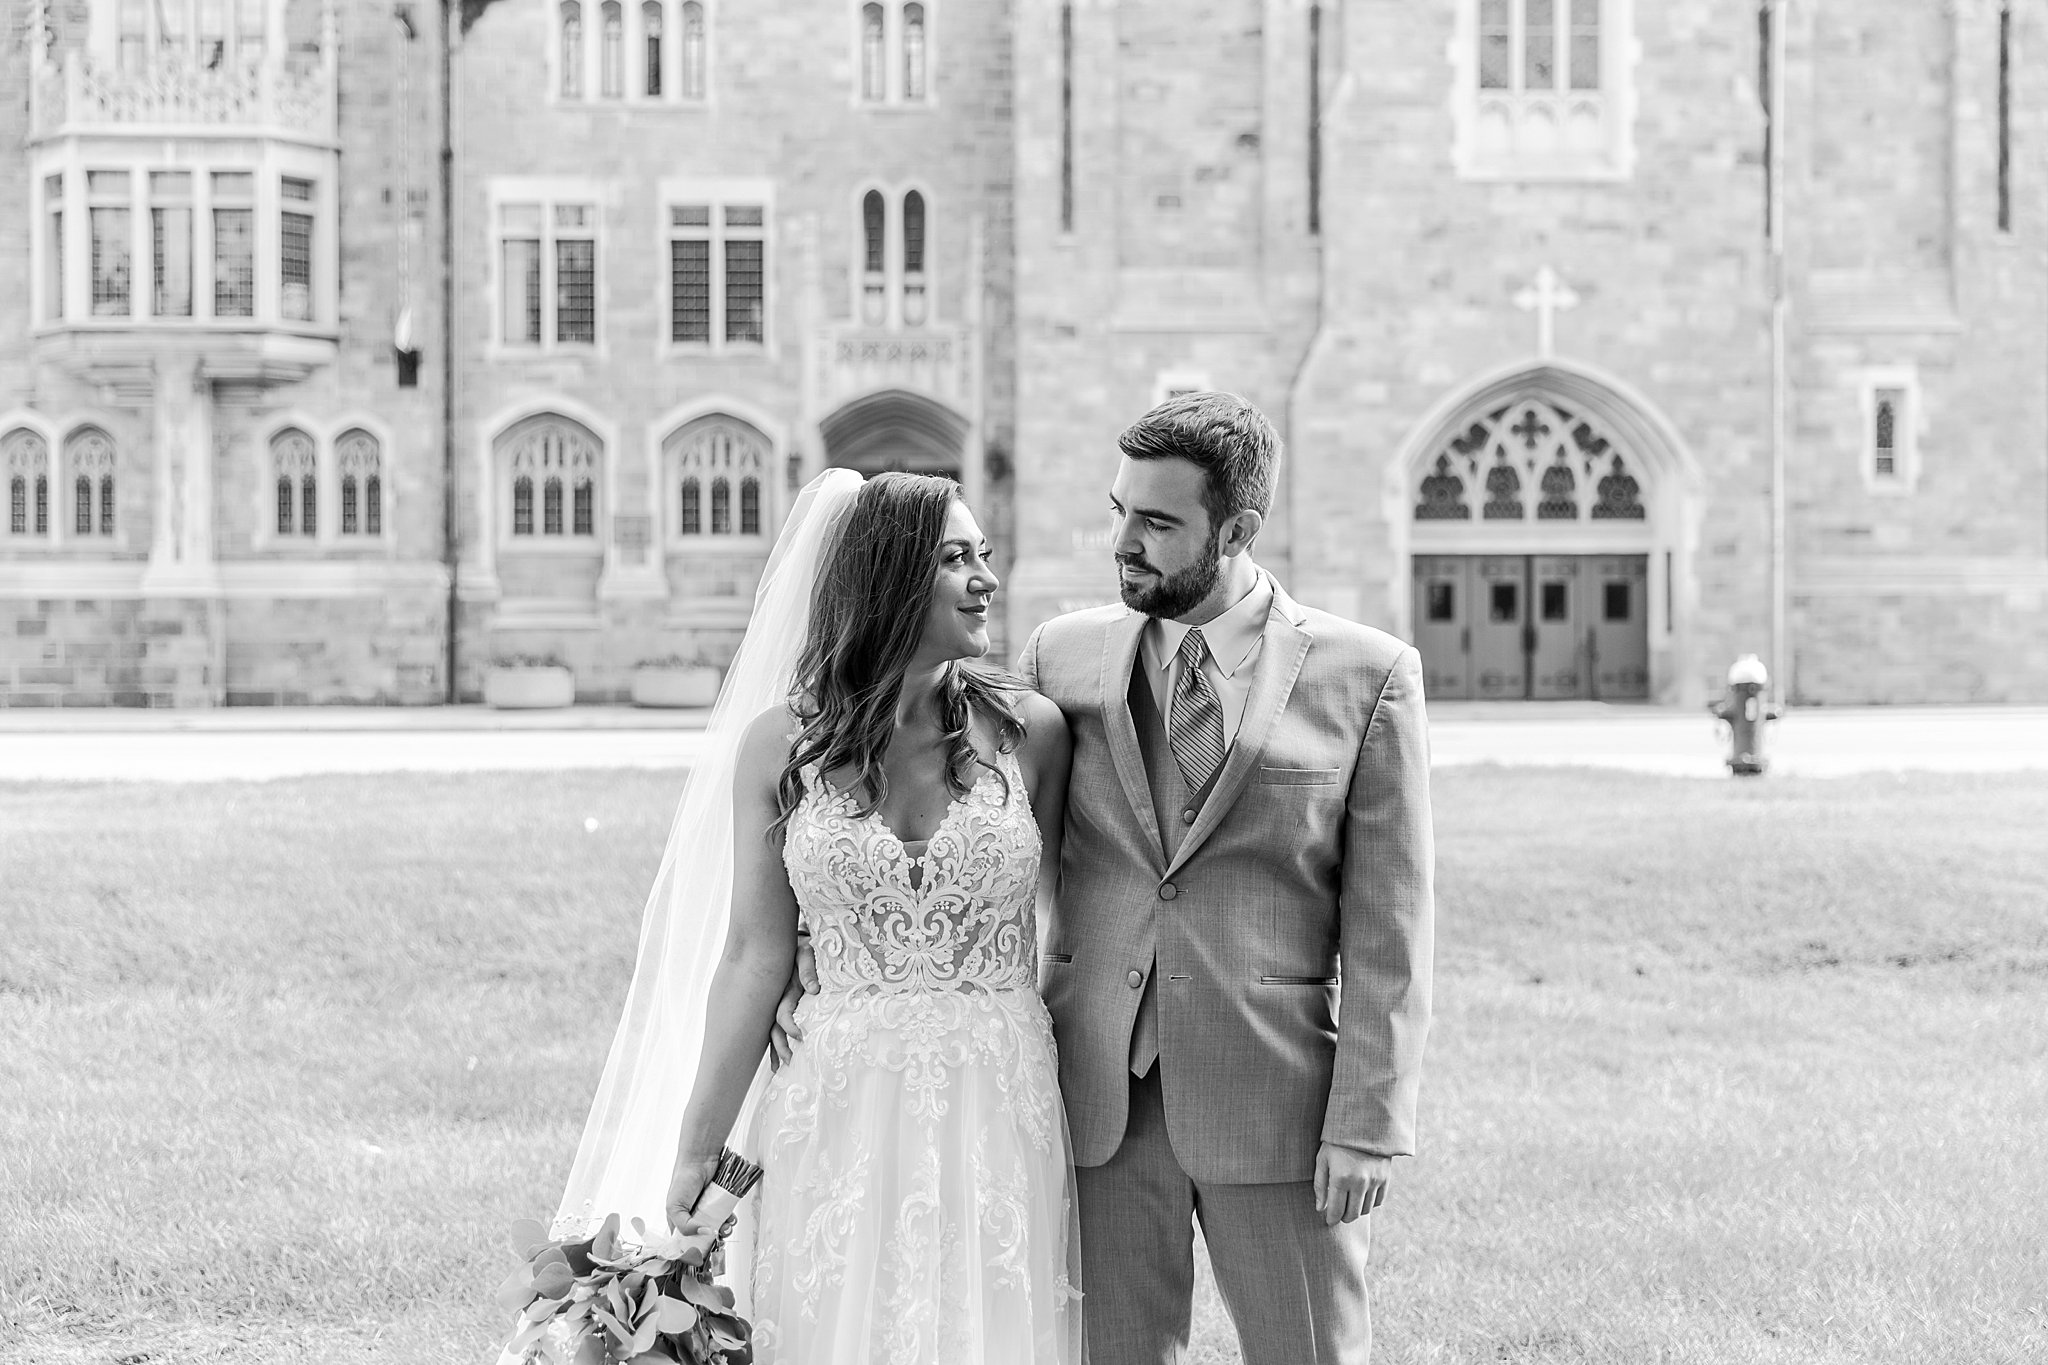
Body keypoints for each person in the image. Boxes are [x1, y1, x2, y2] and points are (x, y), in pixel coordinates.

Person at [779, 392, 1435, 1364]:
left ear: (1237, 530)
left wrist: (1368, 1126)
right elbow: (956, 806)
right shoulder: (1063, 658)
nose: (1122, 541)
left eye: (1157, 523)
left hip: (1278, 1106)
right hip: (1093, 1107)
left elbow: (1389, 929)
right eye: (1119, 511)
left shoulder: (1365, 675)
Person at [650, 470, 1085, 1365]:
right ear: (887, 578)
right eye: (955, 558)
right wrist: (698, 1148)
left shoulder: (1031, 733)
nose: (985, 577)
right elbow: (750, 953)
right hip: (836, 1090)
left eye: (985, 555)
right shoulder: (781, 745)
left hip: (999, 1092)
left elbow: (1076, 924)